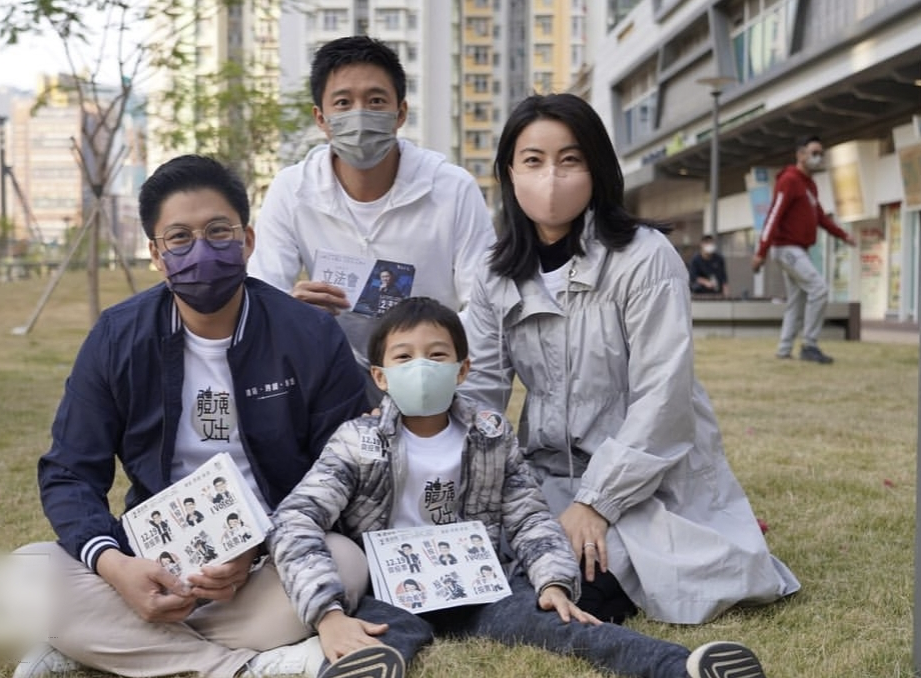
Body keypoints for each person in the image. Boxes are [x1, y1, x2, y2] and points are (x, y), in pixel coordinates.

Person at [10, 155, 381, 678]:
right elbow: (69, 472)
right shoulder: (118, 337)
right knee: (20, 577)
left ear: (247, 240)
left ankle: (106, 645)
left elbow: (343, 473)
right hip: (151, 562)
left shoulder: (309, 336)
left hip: (267, 561)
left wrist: (254, 549)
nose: (200, 250)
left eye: (217, 231)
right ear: (156, 255)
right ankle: (242, 668)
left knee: (345, 561)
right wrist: (118, 570)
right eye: (179, 238)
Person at [268, 296, 769, 678]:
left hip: (483, 587)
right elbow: (296, 518)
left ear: (463, 369)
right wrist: (328, 612)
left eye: (437, 354)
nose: (421, 367)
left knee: (566, 624)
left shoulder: (490, 434)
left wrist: (553, 580)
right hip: (392, 589)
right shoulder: (357, 441)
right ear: (379, 375)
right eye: (404, 357)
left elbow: (528, 515)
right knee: (375, 642)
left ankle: (684, 668)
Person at [459, 93, 801, 625]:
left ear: (597, 169)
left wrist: (596, 503)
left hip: (648, 476)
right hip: (546, 473)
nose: (551, 177)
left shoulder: (644, 257)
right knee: (501, 566)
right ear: (509, 172)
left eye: (570, 160)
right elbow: (479, 391)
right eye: (533, 160)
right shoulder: (492, 274)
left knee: (586, 581)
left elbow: (664, 399)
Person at [248, 35, 496, 387]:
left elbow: (484, 310)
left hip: (432, 379)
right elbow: (261, 299)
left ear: (401, 113)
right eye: (343, 103)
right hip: (333, 378)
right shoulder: (292, 190)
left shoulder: (453, 189)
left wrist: (459, 410)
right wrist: (292, 312)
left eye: (376, 101)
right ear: (321, 118)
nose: (360, 116)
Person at [752, 135, 857, 363]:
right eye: (814, 152)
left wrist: (844, 235)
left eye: (821, 153)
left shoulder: (809, 185)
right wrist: (761, 251)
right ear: (800, 154)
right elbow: (773, 215)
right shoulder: (789, 180)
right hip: (787, 248)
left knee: (796, 301)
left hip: (799, 249)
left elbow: (819, 216)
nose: (818, 157)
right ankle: (809, 345)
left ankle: (784, 349)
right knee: (818, 289)